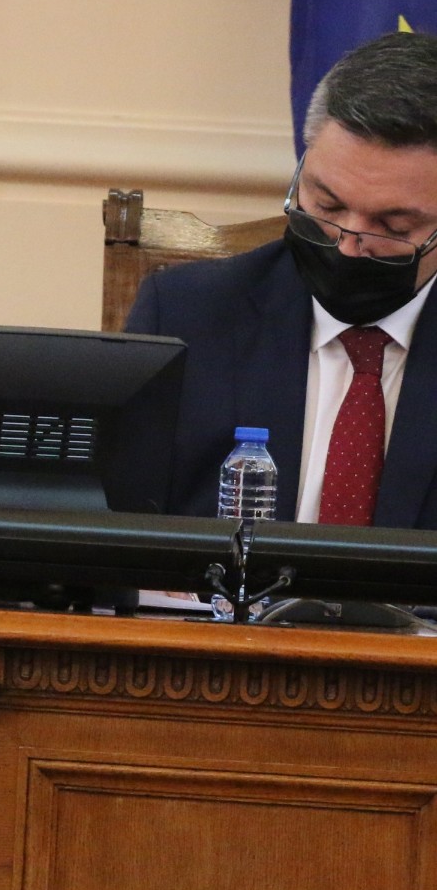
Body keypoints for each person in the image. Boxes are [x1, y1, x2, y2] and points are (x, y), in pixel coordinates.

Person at [124, 30, 437, 526]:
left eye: (393, 226)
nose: (346, 244)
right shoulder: (187, 316)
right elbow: (123, 527)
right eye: (326, 205)